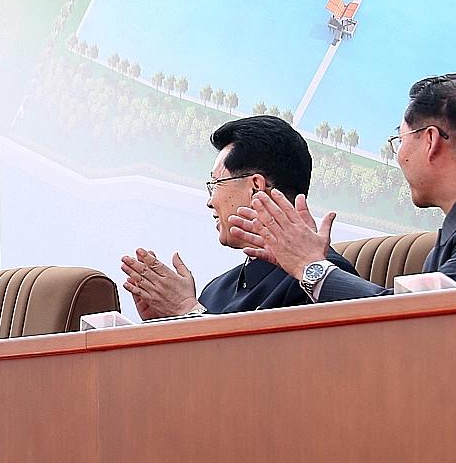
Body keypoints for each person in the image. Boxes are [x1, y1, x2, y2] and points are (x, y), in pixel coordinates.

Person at [234, 74, 456, 300]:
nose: (399, 155)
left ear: (430, 141)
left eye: (400, 139)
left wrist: (310, 266)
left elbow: (417, 323)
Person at [120, 115, 356, 318]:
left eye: (216, 184)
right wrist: (166, 326)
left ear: (255, 187)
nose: (210, 202)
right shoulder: (215, 290)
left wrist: (188, 312)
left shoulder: (321, 280)